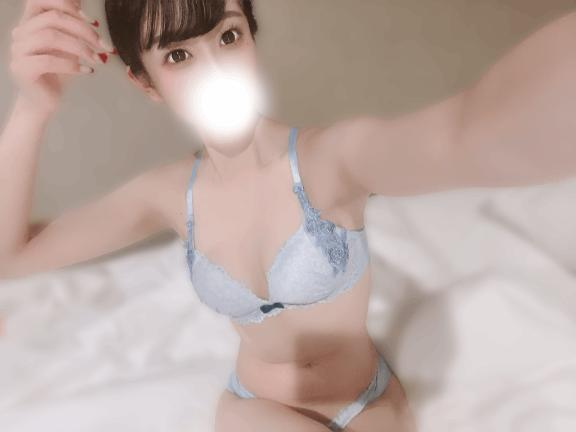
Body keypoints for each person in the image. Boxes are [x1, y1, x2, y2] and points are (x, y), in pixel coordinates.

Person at [2, 0, 576, 430]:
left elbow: (464, 133)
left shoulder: (330, 162)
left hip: (367, 400)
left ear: (251, 35)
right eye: (178, 55)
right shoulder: (167, 195)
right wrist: (33, 106)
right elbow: (12, 257)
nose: (216, 70)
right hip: (254, 410)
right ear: (145, 82)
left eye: (228, 36)